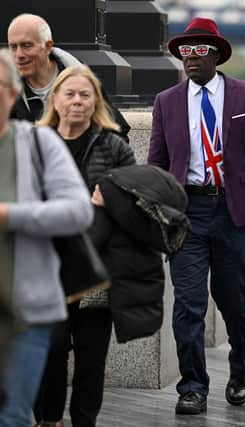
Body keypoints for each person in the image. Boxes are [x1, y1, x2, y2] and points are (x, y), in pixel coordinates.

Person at [148, 17, 245, 411]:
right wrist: (156, 211)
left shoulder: (244, 96)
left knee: (236, 301)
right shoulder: (166, 101)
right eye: (184, 51)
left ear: (216, 55)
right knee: (188, 303)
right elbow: (157, 162)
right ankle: (193, 386)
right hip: (187, 211)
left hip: (233, 210)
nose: (190, 58)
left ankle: (241, 367)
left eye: (198, 51)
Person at [33, 64, 136, 427]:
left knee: (92, 359)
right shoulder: (34, 143)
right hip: (47, 267)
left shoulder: (115, 146)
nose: (77, 101)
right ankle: (48, 418)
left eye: (85, 94)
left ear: (96, 102)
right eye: (70, 94)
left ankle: (83, 421)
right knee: (52, 347)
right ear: (55, 100)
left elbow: (138, 207)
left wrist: (113, 201)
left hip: (97, 267)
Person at [0, 49, 93, 427]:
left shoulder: (39, 144)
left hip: (26, 312)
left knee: (13, 416)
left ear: (11, 94)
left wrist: (11, 215)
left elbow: (78, 210)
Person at [7, 13, 130, 139]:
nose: (19, 54)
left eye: (27, 46)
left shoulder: (82, 79)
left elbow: (116, 131)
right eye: (13, 47)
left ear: (48, 46)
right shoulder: (5, 89)